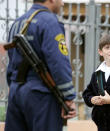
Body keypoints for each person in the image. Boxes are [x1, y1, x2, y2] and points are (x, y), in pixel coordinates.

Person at [5, 0, 76, 131]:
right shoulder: (50, 22)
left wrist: (13, 87)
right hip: (41, 94)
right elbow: (58, 62)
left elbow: (11, 60)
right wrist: (68, 96)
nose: (62, 4)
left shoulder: (17, 22)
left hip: (16, 92)